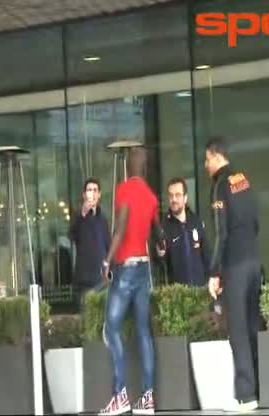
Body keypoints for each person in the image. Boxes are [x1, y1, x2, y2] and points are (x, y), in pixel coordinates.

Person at [99, 146, 165, 416]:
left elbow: (121, 227)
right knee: (143, 332)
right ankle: (148, 398)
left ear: (128, 166)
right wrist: (161, 244)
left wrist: (107, 260)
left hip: (125, 268)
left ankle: (120, 395)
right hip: (144, 269)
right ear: (145, 168)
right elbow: (159, 232)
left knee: (112, 327)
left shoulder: (125, 189)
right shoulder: (150, 195)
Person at [205, 137, 262, 413]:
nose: (206, 165)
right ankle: (258, 390)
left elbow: (221, 232)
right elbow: (255, 220)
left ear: (217, 157)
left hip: (236, 265)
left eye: (207, 159)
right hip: (254, 261)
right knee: (252, 327)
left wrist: (214, 272)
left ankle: (245, 396)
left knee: (237, 330)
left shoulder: (220, 185)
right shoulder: (243, 179)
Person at [157, 177, 209, 286]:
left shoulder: (196, 221)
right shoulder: (164, 226)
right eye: (171, 195)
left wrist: (212, 279)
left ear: (185, 198)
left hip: (201, 288)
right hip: (178, 291)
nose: (174, 199)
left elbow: (206, 254)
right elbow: (161, 265)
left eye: (178, 195)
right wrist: (160, 255)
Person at [70, 177, 110, 310]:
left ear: (99, 195)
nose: (92, 193)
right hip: (84, 280)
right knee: (86, 315)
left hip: (101, 279)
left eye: (95, 190)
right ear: (84, 195)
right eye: (89, 190)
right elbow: (72, 235)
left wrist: (109, 270)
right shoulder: (78, 217)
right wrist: (83, 213)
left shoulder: (103, 219)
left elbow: (108, 246)